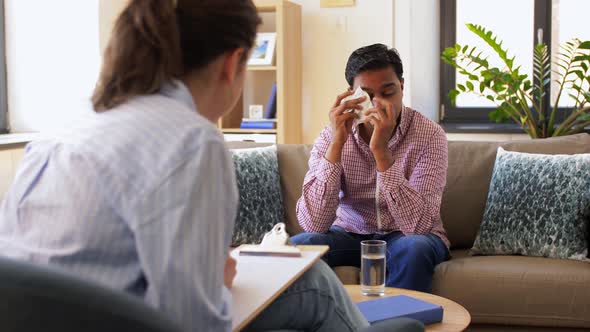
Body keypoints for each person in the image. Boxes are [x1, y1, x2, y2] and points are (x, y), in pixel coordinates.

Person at [0, 2, 424, 332]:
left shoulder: (62, 131)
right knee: (310, 284)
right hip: (125, 321)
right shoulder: (191, 140)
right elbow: (194, 321)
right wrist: (215, 283)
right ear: (232, 63)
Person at [291, 44, 450, 293]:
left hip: (405, 236)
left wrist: (381, 152)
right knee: (301, 245)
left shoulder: (429, 135)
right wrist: (336, 143)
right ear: (350, 95)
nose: (378, 103)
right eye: (366, 95)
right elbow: (313, 224)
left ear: (402, 88)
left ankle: (398, 322)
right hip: (350, 234)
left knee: (415, 248)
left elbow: (419, 226)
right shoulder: (330, 135)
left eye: (388, 92)